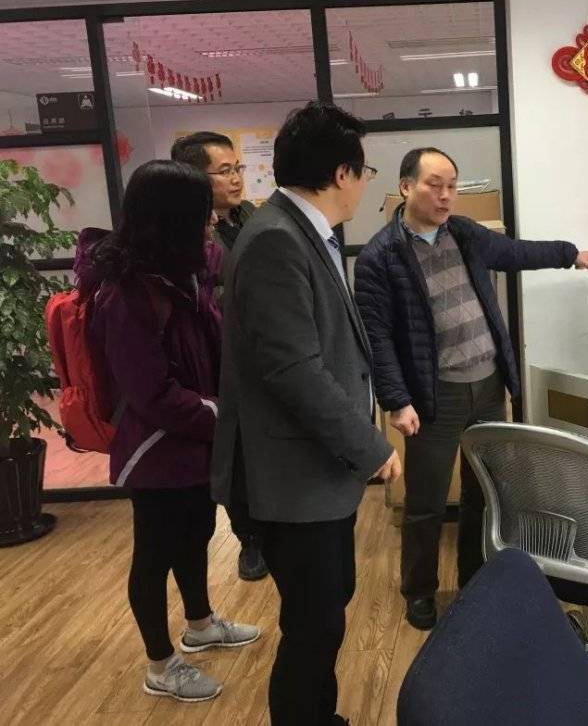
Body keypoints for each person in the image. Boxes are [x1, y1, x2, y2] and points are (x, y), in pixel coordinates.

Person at [354, 147, 588, 630]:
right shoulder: (379, 257)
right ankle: (419, 591)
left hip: (488, 387)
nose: (445, 195)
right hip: (435, 397)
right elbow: (377, 338)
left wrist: (568, 254)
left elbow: (514, 253)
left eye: (451, 185)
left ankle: (473, 580)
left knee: (485, 494)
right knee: (425, 503)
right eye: (434, 185)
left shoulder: (465, 233)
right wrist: (396, 401)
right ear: (406, 187)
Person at [210, 102, 401, 726]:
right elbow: (293, 371)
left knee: (325, 610)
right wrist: (371, 446)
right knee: (313, 625)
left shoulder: (300, 229)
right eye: (364, 171)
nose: (364, 183)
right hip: (289, 477)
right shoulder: (276, 239)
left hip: (313, 471)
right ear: (341, 174)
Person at [80, 160, 260, 703]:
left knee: (196, 531)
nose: (213, 221)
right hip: (155, 448)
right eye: (202, 212)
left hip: (196, 437)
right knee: (154, 553)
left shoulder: (181, 271)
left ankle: (200, 623)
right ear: (172, 219)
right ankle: (160, 663)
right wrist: (223, 415)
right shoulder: (125, 294)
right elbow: (151, 394)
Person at [170, 131, 266, 581]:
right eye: (224, 171)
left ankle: (272, 527)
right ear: (194, 177)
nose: (236, 179)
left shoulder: (249, 216)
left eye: (237, 168)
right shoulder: (186, 237)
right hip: (218, 366)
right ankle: (249, 538)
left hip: (264, 352)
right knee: (234, 455)